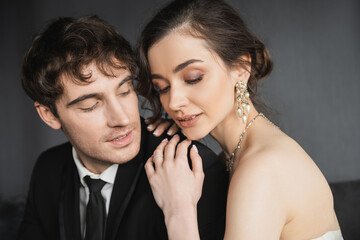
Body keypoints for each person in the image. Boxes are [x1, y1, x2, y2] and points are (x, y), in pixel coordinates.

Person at [136, 0, 343, 239]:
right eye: (162, 87)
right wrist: (175, 140)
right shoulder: (232, 157)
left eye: (193, 78)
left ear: (241, 68)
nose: (173, 102)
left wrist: (178, 211)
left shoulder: (262, 169)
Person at [17, 15, 228, 240]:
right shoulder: (48, 169)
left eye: (125, 91)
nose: (122, 119)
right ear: (48, 114)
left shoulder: (191, 167)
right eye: (90, 105)